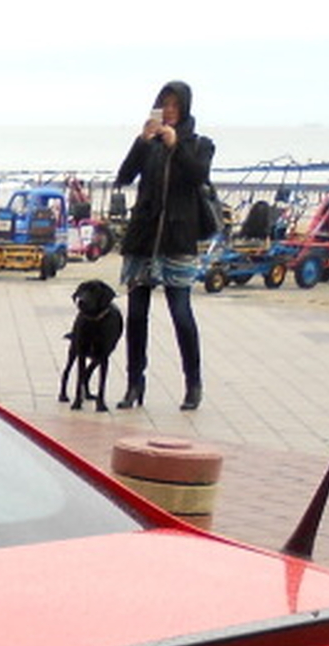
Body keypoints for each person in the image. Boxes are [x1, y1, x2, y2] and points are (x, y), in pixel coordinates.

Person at [113, 79, 215, 411]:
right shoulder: (149, 145)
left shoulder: (200, 144)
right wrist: (142, 142)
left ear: (184, 108)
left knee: (181, 314)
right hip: (143, 240)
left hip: (177, 241)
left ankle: (193, 383)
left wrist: (176, 145)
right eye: (164, 104)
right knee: (137, 315)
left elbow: (197, 176)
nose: (168, 111)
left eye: (174, 105)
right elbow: (124, 177)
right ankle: (133, 383)